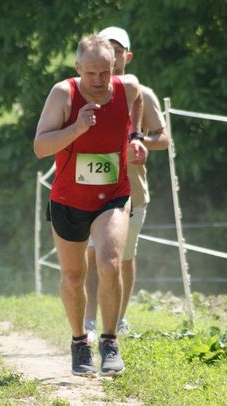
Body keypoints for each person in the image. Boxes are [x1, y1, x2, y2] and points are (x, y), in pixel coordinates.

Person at [34, 33, 147, 376]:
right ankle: (79, 341)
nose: (98, 81)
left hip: (113, 195)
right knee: (72, 276)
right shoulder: (63, 94)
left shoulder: (126, 89)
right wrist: (78, 127)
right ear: (78, 68)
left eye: (104, 72)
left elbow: (138, 97)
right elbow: (40, 146)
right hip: (68, 198)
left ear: (115, 64)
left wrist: (135, 136)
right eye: (91, 74)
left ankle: (109, 341)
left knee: (110, 262)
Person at [85, 27, 170, 340]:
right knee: (93, 256)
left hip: (132, 191)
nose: (114, 55)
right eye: (108, 49)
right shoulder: (85, 92)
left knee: (124, 257)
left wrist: (137, 139)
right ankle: (90, 321)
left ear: (127, 56)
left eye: (118, 50)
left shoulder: (141, 93)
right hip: (91, 190)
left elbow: (164, 137)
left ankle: (118, 318)